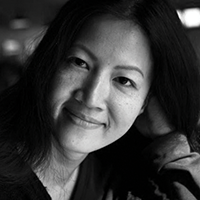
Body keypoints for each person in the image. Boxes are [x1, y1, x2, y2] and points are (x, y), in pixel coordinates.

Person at [0, 0, 199, 199]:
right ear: (50, 63)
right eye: (79, 62)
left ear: (146, 102)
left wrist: (168, 140)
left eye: (124, 80)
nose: (91, 97)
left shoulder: (114, 178)